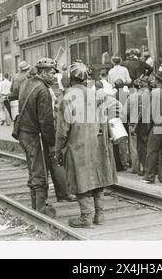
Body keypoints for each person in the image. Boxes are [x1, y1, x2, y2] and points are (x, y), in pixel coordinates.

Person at [55, 62, 118, 228]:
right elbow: (106, 117)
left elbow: (62, 130)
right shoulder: (95, 94)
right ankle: (100, 215)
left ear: (70, 78)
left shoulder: (67, 97)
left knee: (80, 177)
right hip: (97, 142)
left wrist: (58, 149)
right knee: (97, 176)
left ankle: (86, 217)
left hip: (79, 144)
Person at [18, 58, 74, 217]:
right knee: (39, 170)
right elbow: (46, 121)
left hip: (25, 131)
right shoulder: (42, 90)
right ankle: (41, 208)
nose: (54, 76)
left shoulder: (27, 83)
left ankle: (36, 203)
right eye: (51, 73)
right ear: (42, 73)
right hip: (33, 133)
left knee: (34, 167)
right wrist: (52, 143)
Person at [143, 71, 162, 184]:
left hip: (158, 124)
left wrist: (148, 125)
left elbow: (150, 111)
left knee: (151, 151)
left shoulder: (154, 93)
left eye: (155, 79)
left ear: (158, 81)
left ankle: (149, 176)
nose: (153, 81)